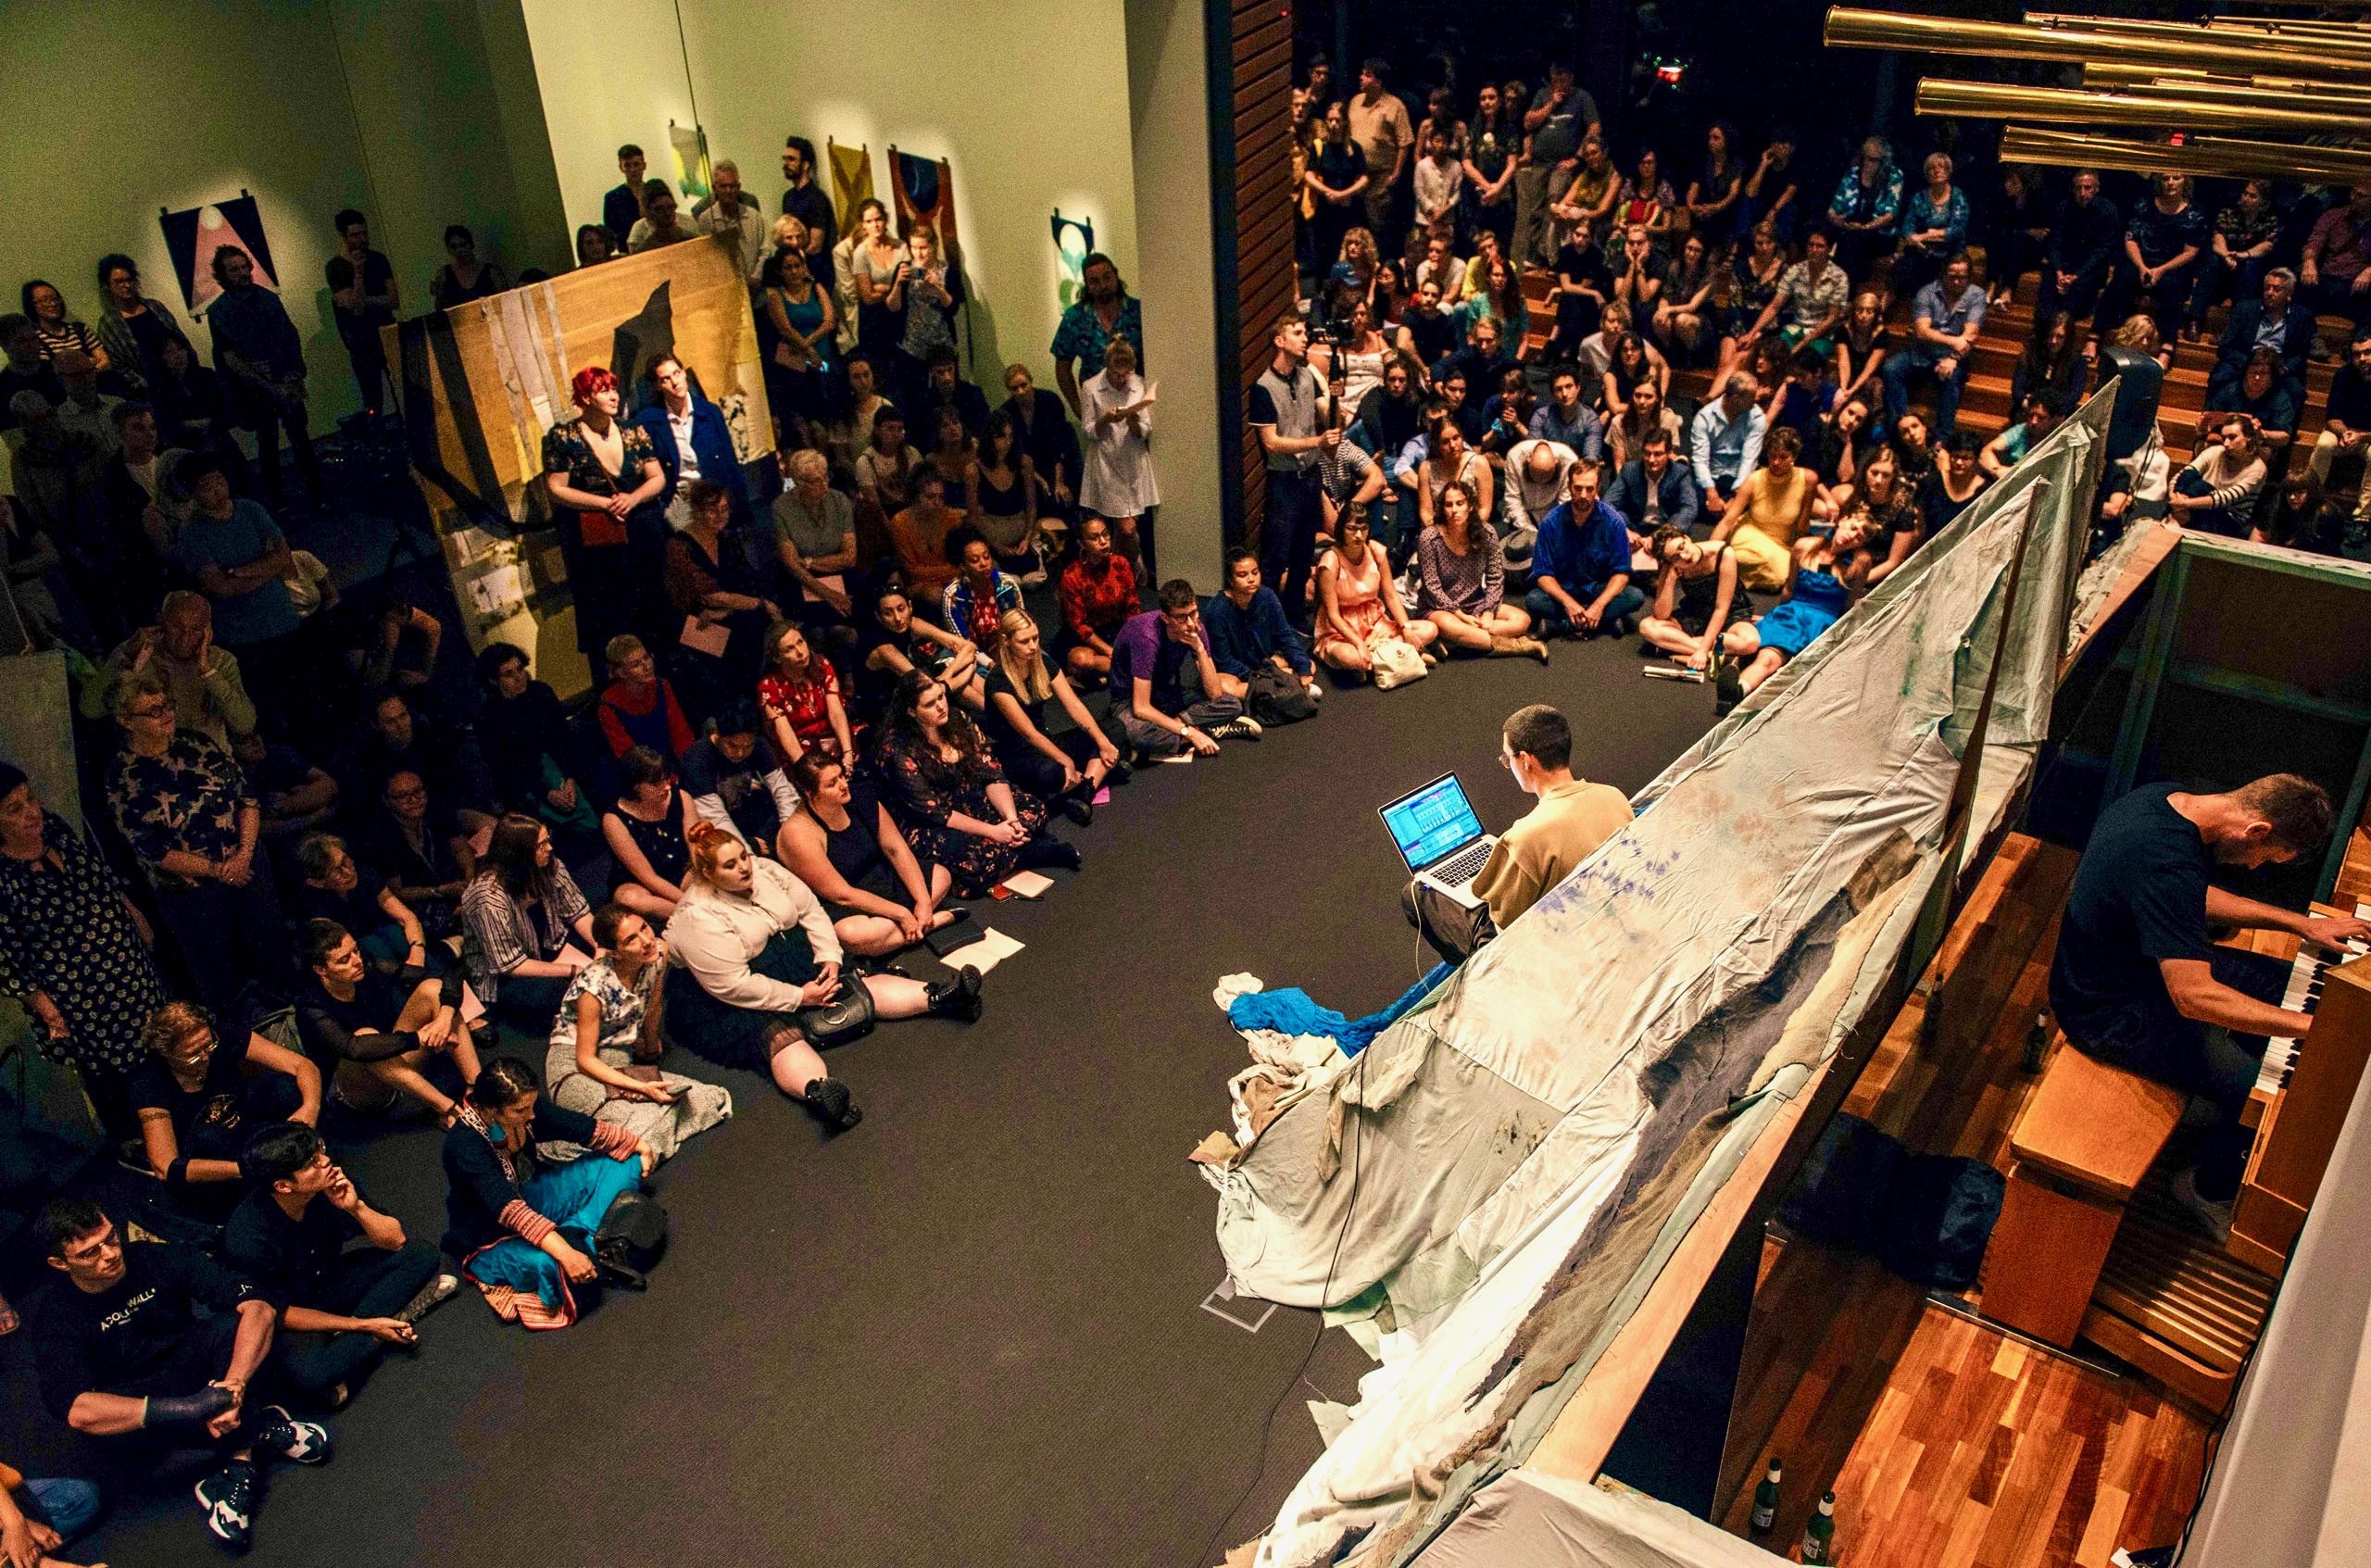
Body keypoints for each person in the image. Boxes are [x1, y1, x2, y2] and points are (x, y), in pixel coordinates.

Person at [2048, 776, 2369, 1239]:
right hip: (2108, 1011)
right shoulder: (2164, 861)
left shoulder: (2165, 802)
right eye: (2266, 857)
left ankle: (2208, 1106)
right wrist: (2315, 1029)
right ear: (2257, 830)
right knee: (2267, 1089)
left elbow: (2190, 896)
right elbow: (2193, 997)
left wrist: (2301, 924)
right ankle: (2205, 1189)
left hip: (2144, 969)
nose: (2257, 867)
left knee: (2285, 984)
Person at [32, 1198, 328, 1552]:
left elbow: (258, 1306)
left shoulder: (154, 1257)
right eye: (89, 1253)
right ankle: (256, 1429)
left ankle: (234, 1464)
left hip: (198, 1368)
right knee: (100, 1434)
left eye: (111, 1239)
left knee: (233, 1328)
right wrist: (188, 1409)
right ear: (59, 1263)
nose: (110, 1254)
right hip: (142, 1399)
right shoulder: (55, 1317)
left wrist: (233, 1387)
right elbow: (77, 1409)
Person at [664, 825, 982, 1127]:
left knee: (853, 982)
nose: (744, 868)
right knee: (777, 1034)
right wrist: (800, 997)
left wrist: (829, 955)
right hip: (732, 993)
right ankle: (819, 1091)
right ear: (709, 874)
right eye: (730, 865)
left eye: (743, 857)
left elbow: (810, 911)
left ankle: (943, 997)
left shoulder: (764, 869)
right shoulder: (696, 917)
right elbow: (733, 985)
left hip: (789, 952)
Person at [0, 760, 169, 1138]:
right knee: (113, 1070)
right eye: (14, 809)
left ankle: (171, 1123)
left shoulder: (54, 830)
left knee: (155, 1040)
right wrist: (49, 1011)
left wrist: (134, 915)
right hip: (79, 993)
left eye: (30, 800)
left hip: (124, 962)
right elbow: (8, 961)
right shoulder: (4, 877)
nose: (31, 812)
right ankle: (132, 1141)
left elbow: (99, 876)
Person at [227, 1122, 449, 1402]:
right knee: (310, 1374)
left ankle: (365, 1342)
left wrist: (356, 1207)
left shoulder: (329, 1183)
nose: (326, 1161)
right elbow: (276, 1313)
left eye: (319, 1150)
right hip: (294, 1312)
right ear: (283, 1186)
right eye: (311, 1163)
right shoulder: (249, 1238)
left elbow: (396, 1240)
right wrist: (362, 1325)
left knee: (421, 1255)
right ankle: (380, 1328)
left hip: (331, 1279)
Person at [105, 678, 286, 1015]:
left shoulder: (196, 743)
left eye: (168, 705)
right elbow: (153, 850)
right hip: (192, 891)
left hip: (245, 864)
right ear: (126, 720)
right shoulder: (122, 777)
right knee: (219, 978)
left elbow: (246, 799)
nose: (166, 715)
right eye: (154, 711)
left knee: (271, 954)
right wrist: (218, 871)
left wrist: (243, 855)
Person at [1405, 705, 1633, 962]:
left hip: (1558, 948)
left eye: (1507, 758)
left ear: (1525, 760)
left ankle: (1474, 980)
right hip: (1608, 918)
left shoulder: (1525, 836)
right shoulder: (1614, 796)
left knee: (1414, 893)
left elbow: (1502, 921)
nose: (1508, 764)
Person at [440, 1057, 653, 1331]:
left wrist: (636, 1143)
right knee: (552, 1265)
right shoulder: (463, 1146)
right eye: (521, 1110)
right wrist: (564, 1252)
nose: (531, 1115)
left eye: (532, 1106)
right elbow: (510, 1210)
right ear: (491, 1110)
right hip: (490, 1233)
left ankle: (584, 1236)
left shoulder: (525, 1108)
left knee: (624, 1161)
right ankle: (585, 1241)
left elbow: (573, 1126)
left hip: (530, 1196)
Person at [547, 906, 732, 1162]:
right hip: (576, 1068)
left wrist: (651, 1046)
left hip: (619, 1060)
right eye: (631, 940)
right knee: (631, 1121)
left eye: (644, 927)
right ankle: (570, 1147)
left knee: (706, 1098)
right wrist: (642, 1087)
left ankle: (639, 1144)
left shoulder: (658, 953)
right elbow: (585, 1059)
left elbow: (653, 1003)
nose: (646, 941)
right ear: (615, 953)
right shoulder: (592, 988)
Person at [873, 670, 1077, 894]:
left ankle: (1014, 843)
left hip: (971, 797)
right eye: (930, 704)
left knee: (1033, 808)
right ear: (912, 712)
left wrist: (1010, 820)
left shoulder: (958, 719)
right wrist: (992, 831)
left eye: (941, 696)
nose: (941, 706)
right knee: (976, 858)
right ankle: (1029, 854)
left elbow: (991, 772)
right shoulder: (897, 751)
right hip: (932, 822)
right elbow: (936, 813)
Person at [131, 999, 318, 1220]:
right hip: (213, 1157)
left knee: (284, 1087)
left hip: (245, 1125)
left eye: (208, 1046)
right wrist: (245, 1169)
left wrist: (309, 1110)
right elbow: (165, 1166)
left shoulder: (220, 1036)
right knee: (211, 1137)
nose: (205, 1057)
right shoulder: (149, 1081)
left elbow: (302, 1066)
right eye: (192, 1055)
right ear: (168, 1055)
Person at [777, 752, 968, 957]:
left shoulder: (860, 796)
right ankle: (932, 922)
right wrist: (902, 914)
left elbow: (896, 849)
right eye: (832, 784)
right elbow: (842, 894)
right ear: (809, 793)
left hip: (881, 877)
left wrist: (922, 901)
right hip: (849, 901)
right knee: (850, 935)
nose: (843, 785)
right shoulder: (797, 833)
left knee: (942, 875)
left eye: (841, 776)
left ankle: (910, 928)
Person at [295, 918, 478, 1122]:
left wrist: (444, 1018)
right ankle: (447, 1108)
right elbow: (354, 1048)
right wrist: (419, 1038)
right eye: (344, 960)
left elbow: (446, 976)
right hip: (354, 1091)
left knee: (433, 989)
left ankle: (477, 1090)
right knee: (366, 1036)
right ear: (321, 969)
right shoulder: (310, 1005)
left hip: (393, 1062)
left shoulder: (368, 968)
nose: (356, 961)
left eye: (356, 951)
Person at [545, 366, 666, 671]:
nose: (613, 395)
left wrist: (632, 498)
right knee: (609, 612)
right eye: (603, 390)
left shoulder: (632, 430)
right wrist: (604, 503)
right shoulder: (565, 437)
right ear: (585, 397)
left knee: (651, 605)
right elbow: (556, 489)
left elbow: (656, 477)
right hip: (598, 542)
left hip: (640, 532)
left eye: (613, 388)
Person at [458, 815, 598, 1028]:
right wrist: (572, 970)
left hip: (551, 945)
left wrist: (601, 947)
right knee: (568, 996)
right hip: (509, 973)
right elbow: (511, 964)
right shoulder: (488, 896)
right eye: (541, 845)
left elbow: (577, 912)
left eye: (547, 840)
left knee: (615, 950)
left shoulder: (550, 866)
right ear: (519, 853)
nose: (549, 848)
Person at [1716, 514, 1870, 703]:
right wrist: (1773, 618)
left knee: (1784, 669)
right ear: (1844, 520)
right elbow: (1789, 588)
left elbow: (1849, 605)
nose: (1851, 536)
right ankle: (1735, 691)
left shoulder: (1859, 563)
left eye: (1859, 538)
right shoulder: (1804, 546)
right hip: (1791, 615)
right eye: (1853, 528)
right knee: (1767, 657)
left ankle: (1737, 690)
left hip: (1822, 625)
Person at [205, 249, 319, 504]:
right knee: (268, 443)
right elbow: (229, 358)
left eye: (244, 266)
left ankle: (315, 490)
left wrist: (293, 376)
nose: (243, 273)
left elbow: (290, 335)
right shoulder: (219, 312)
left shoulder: (268, 298)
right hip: (254, 389)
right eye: (234, 269)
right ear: (223, 274)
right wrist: (266, 386)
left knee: (300, 437)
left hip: (285, 378)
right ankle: (278, 499)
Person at [1108, 580, 1256, 760]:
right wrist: (1189, 732)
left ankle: (1167, 736)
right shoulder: (1147, 638)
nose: (1191, 623)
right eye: (1181, 617)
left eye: (1194, 613)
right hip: (1128, 700)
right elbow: (1141, 708)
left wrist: (1200, 648)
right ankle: (1207, 731)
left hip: (1165, 694)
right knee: (1135, 734)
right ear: (1165, 618)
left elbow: (1215, 693)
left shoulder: (1196, 627)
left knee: (1231, 704)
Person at [89, 590, 255, 749]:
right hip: (149, 757)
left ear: (207, 631)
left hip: (207, 760)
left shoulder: (221, 661)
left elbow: (245, 724)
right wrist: (125, 659)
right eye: (176, 626)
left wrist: (208, 671)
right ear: (160, 622)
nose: (185, 637)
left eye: (195, 630)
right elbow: (91, 709)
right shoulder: (137, 651)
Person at [1416, 478, 1545, 659]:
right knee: (1451, 625)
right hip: (1440, 608)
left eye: (1460, 503)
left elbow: (1495, 579)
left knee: (1522, 620)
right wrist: (1459, 614)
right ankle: (1519, 646)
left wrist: (1488, 612)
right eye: (1448, 505)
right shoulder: (1429, 538)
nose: (1454, 510)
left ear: (1469, 506)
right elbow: (1432, 587)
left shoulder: (1487, 533)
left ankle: (1461, 640)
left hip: (1475, 602)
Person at [1312, 504, 1436, 680]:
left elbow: (1391, 595)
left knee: (1429, 629)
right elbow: (1333, 615)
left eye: (1363, 529)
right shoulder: (1331, 560)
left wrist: (1406, 629)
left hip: (1375, 622)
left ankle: (1375, 664)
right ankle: (1403, 657)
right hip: (1341, 630)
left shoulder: (1375, 550)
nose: (1358, 535)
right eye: (1352, 529)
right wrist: (1358, 644)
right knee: (1350, 657)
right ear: (1342, 529)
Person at [1527, 460, 1643, 640]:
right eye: (1578, 488)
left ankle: (1559, 625)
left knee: (1635, 596)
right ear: (1569, 487)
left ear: (1598, 488)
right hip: (1564, 589)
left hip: (1598, 588)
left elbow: (1621, 573)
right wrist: (1568, 603)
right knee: (1533, 600)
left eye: (1590, 489)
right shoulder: (1550, 522)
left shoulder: (1613, 521)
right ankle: (1606, 622)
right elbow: (1542, 574)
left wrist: (1599, 605)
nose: (1583, 495)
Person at [635, 351, 747, 530]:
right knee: (678, 540)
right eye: (665, 379)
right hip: (681, 497)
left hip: (712, 493)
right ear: (657, 385)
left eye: (676, 373)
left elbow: (729, 461)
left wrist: (738, 507)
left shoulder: (710, 412)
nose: (674, 382)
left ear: (684, 372)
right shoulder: (648, 421)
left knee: (722, 538)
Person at [1203, 549, 1321, 718]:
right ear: (1230, 579)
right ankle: (1290, 689)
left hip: (1266, 662)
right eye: (1242, 575)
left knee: (1308, 664)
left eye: (1255, 573)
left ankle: (1274, 692)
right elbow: (1224, 660)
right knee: (1224, 687)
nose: (1251, 579)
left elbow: (1285, 636)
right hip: (1239, 672)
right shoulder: (1217, 611)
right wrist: (1264, 674)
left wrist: (1303, 670)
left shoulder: (1267, 596)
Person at [1078, 338, 1159, 585]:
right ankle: (1127, 568)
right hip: (1106, 462)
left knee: (1127, 527)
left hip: (1132, 460)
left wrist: (1132, 417)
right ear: (1108, 368)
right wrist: (1106, 419)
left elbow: (1144, 429)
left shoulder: (1138, 383)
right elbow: (1089, 430)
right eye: (1117, 374)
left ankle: (1120, 570)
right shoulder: (1091, 387)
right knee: (1123, 527)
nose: (1123, 379)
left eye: (1127, 374)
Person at [1881, 252, 1985, 441]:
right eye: (1952, 276)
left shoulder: (1976, 295)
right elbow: (1921, 331)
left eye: (1962, 277)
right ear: (1943, 275)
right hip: (1921, 352)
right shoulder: (1927, 293)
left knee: (1951, 379)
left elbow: (1970, 334)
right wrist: (1954, 340)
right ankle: (1899, 428)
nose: (1956, 282)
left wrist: (1953, 358)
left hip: (1952, 358)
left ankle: (1942, 438)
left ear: (1969, 277)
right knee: (1891, 369)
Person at [2099, 174, 2208, 345]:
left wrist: (2161, 270)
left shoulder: (2195, 213)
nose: (2170, 182)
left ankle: (2167, 347)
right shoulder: (2144, 205)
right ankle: (2097, 336)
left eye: (2176, 178)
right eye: (2165, 178)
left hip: (2172, 267)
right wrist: (2142, 266)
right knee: (2122, 278)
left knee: (2173, 287)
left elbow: (2191, 251)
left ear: (2185, 181)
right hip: (2142, 261)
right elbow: (2130, 239)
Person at [1514, 62, 1600, 268]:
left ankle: (1549, 256)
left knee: (1554, 202)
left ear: (1571, 78)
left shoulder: (1582, 98)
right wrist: (1551, 104)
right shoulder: (1543, 95)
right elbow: (1528, 122)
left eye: (1562, 79)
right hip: (1540, 162)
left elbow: (1595, 128)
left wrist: (1578, 157)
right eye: (1555, 80)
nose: (1559, 84)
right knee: (1535, 209)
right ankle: (1533, 257)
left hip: (1563, 165)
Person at [1714, 424, 1816, 593]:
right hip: (1750, 534)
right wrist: (1710, 552)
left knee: (1784, 575)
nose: (1776, 462)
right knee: (1742, 557)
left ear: (1794, 457)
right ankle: (1727, 565)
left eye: (1783, 457)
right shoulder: (1755, 479)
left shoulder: (1808, 479)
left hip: (1782, 542)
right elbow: (1728, 520)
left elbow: (1803, 525)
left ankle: (1731, 570)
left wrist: (1798, 554)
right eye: (1772, 456)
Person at [859, 577, 982, 717]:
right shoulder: (883, 648)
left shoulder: (912, 623)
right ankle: (997, 713)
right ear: (879, 617)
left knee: (952, 668)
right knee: (958, 677)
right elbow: (924, 684)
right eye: (888, 613)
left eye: (901, 609)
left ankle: (999, 712)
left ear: (910, 606)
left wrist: (946, 675)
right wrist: (967, 668)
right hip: (887, 709)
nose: (898, 618)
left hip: (925, 693)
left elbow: (969, 647)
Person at [602, 746, 697, 922]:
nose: (666, 787)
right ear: (635, 786)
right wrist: (691, 903)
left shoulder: (681, 798)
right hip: (642, 884)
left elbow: (696, 850)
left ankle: (695, 913)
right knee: (631, 901)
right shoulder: (614, 819)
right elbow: (648, 877)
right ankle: (696, 914)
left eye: (666, 779)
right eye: (656, 784)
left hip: (683, 870)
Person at [1638, 525, 1750, 671]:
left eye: (1682, 547)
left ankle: (1674, 646)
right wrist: (1670, 578)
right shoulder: (1672, 565)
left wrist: (1703, 651)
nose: (1684, 556)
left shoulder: (1723, 553)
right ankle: (1713, 653)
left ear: (1687, 538)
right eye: (1675, 557)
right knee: (1647, 626)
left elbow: (1721, 609)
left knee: (1749, 642)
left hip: (1731, 613)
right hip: (1695, 614)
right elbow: (1661, 615)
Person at [1051, 251, 1145, 420]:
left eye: (1107, 277)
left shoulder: (1139, 311)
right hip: (1097, 407)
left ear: (1116, 276)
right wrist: (1078, 408)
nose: (1103, 285)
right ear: (1086, 285)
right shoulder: (1075, 317)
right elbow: (1062, 368)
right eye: (1094, 281)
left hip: (1135, 404)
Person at [771, 448, 859, 628]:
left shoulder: (839, 500)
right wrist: (828, 593)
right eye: (815, 481)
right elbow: (791, 565)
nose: (824, 484)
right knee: (821, 621)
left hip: (837, 574)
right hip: (803, 580)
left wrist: (808, 562)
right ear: (799, 483)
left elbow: (849, 557)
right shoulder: (781, 508)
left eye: (825, 477)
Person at [324, 209, 397, 416]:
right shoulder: (336, 267)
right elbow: (355, 307)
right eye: (355, 235)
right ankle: (378, 439)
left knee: (400, 389)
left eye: (364, 233)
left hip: (386, 334)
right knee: (373, 400)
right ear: (343, 237)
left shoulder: (378, 259)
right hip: (361, 342)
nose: (362, 239)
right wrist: (357, 274)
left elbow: (393, 300)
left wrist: (366, 302)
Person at [2188, 179, 2280, 342]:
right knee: (2212, 261)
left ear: (2262, 202)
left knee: (2252, 266)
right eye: (2245, 194)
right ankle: (2195, 320)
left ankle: (2232, 328)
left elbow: (2268, 245)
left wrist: (2244, 255)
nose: (2246, 198)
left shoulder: (2269, 219)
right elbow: (2217, 239)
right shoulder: (2228, 213)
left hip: (2248, 267)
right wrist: (2227, 256)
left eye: (2253, 196)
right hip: (2225, 264)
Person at [2210, 267, 2315, 406]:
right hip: (2245, 361)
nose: (2270, 293)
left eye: (2277, 289)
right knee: (2219, 377)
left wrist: (2283, 369)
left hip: (2279, 367)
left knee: (2296, 391)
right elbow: (2226, 347)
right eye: (2267, 288)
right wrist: (2247, 364)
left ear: (2289, 294)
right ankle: (2208, 420)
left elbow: (2301, 354)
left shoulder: (2302, 317)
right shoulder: (2245, 309)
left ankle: (2285, 427)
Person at [2038, 169, 2123, 329]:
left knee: (2081, 287)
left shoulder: (2108, 210)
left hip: (2090, 268)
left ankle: (2062, 328)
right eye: (2079, 188)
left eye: (2087, 188)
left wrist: (2076, 276)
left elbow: (2103, 251)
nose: (2083, 193)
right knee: (2048, 283)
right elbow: (2055, 244)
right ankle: (2043, 329)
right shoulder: (2064, 208)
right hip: (2065, 265)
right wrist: (2059, 272)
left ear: (2096, 189)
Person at [1057, 514, 1138, 682]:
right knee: (1081, 659)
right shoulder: (1072, 575)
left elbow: (1132, 606)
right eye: (1094, 538)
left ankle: (1106, 674)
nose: (1103, 541)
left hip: (1117, 628)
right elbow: (1080, 627)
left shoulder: (1120, 564)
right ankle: (1129, 671)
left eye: (1105, 534)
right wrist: (1111, 652)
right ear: (1081, 543)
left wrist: (1132, 638)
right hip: (1087, 637)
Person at [2304, 329, 2371, 532]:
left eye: (2367, 352)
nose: (2362, 359)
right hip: (2345, 433)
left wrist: (2361, 436)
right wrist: (2345, 433)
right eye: (2357, 354)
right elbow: (2332, 417)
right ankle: (2308, 502)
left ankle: (2363, 519)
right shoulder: (2343, 375)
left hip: (2368, 438)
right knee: (2324, 444)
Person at [94, 252, 188, 394]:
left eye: (129, 279)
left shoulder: (155, 307)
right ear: (108, 286)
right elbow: (119, 366)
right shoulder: (109, 324)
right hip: (151, 391)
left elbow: (179, 339)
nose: (126, 285)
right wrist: (147, 387)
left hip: (183, 379)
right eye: (118, 282)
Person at [999, 361, 1083, 519]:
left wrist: (1059, 481)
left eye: (1024, 385)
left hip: (1056, 463)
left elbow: (1060, 444)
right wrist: (1037, 480)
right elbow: (1016, 452)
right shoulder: (1007, 412)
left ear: (1031, 382)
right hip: (1026, 469)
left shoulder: (1049, 401)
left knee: (1061, 497)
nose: (1021, 391)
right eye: (1014, 388)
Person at [596, 633, 696, 760]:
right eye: (636, 664)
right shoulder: (609, 707)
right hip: (642, 772)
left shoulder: (662, 686)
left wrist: (690, 763)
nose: (647, 666)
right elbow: (629, 756)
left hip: (670, 760)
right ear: (622, 673)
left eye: (646, 657)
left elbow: (681, 733)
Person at [2166, 414, 2267, 538]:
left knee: (2200, 486)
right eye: (2224, 438)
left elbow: (2226, 498)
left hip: (2230, 520)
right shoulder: (2215, 451)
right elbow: (2181, 475)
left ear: (2248, 438)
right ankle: (2178, 519)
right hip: (2197, 507)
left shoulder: (2258, 468)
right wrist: (2174, 497)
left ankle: (2178, 520)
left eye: (2232, 437)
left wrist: (2184, 504)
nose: (2226, 443)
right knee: (2188, 477)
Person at [1347, 57, 1415, 234]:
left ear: (1378, 81)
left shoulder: (1395, 106)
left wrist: (1396, 174)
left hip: (1380, 178)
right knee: (1356, 227)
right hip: (1356, 176)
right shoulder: (1355, 101)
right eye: (1362, 73)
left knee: (1378, 226)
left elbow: (1405, 142)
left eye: (1367, 75)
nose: (1361, 78)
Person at [2300, 184, 2371, 347]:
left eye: (2361, 195)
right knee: (2299, 275)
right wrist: (2309, 261)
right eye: (2353, 192)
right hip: (2328, 273)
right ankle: (2310, 337)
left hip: (2357, 278)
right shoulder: (2334, 215)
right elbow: (2314, 242)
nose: (2353, 197)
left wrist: (2369, 270)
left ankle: (2359, 342)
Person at [1824, 136, 1902, 283]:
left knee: (1854, 242)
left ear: (1883, 161)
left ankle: (1847, 290)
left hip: (1878, 229)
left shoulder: (1894, 175)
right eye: (1866, 158)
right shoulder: (1854, 172)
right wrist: (1838, 220)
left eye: (1873, 160)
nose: (1868, 163)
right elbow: (1834, 207)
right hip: (1849, 226)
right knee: (1838, 235)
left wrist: (1865, 228)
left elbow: (1891, 214)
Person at [1689, 371, 1767, 520]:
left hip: (1741, 478)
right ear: (1736, 398)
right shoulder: (1704, 418)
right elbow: (1700, 460)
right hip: (1711, 477)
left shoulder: (1757, 418)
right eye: (1751, 397)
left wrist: (1738, 496)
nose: (1755, 400)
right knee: (1689, 497)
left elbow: (1749, 459)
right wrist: (1711, 493)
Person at [1893, 153, 1969, 303]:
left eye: (1941, 167)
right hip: (1923, 249)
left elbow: (1957, 230)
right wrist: (1914, 238)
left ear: (1948, 171)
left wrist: (1923, 236)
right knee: (1905, 266)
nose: (1936, 171)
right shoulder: (1919, 197)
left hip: (1949, 251)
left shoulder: (1958, 196)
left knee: (1932, 267)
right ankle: (1883, 309)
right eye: (1931, 168)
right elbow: (1907, 227)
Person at [1604, 428, 1700, 539]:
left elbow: (1689, 508)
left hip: (1667, 528)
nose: (1651, 460)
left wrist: (1662, 535)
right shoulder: (1629, 470)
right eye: (1647, 453)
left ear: (1669, 453)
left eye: (1658, 454)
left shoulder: (1681, 473)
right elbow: (1608, 504)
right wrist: (1624, 530)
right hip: (1635, 529)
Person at [692, 158, 766, 281]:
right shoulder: (706, 220)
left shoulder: (754, 217)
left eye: (732, 186)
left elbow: (765, 251)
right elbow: (704, 259)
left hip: (755, 286)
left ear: (739, 187)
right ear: (714, 188)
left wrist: (756, 277)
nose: (728, 191)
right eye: (723, 186)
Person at [2010, 309, 2086, 421]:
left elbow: (2074, 395)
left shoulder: (2077, 361)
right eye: (2051, 335)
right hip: (2029, 410)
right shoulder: (2029, 355)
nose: (2053, 341)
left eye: (2060, 337)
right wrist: (2030, 406)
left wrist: (2053, 411)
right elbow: (2017, 389)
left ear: (2068, 338)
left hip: (2058, 413)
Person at [1918, 433, 1990, 539]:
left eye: (1966, 458)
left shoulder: (1986, 491)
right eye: (1955, 456)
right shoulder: (1932, 482)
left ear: (1975, 460)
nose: (1959, 462)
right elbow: (1920, 525)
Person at [603, 144, 669, 247]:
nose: (633, 170)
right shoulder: (612, 198)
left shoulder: (656, 191)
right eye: (627, 165)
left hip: (661, 244)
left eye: (636, 164)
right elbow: (610, 233)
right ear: (621, 168)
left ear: (644, 165)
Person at [626, 186, 694, 253]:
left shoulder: (691, 240)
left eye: (670, 207)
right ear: (649, 213)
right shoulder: (645, 251)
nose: (667, 213)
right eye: (659, 209)